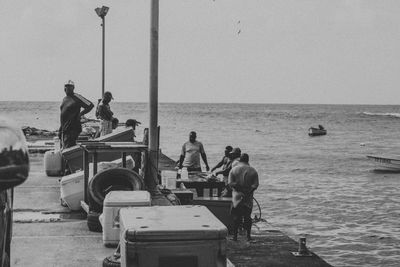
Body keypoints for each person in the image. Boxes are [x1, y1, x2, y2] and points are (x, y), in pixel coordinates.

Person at [228, 153, 259, 241]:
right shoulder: (253, 170)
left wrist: (239, 188)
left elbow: (230, 183)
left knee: (236, 217)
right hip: (248, 197)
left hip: (237, 197)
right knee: (247, 216)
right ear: (248, 160)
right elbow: (255, 185)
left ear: (240, 160)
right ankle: (248, 236)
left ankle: (235, 237)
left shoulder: (233, 170)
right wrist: (248, 191)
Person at [59, 80, 94, 149]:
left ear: (73, 88)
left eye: (69, 87)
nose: (67, 89)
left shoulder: (77, 97)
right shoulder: (65, 99)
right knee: (64, 148)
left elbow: (90, 105)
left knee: (68, 148)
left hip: (73, 127)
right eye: (66, 87)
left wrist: (80, 114)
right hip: (65, 128)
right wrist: (61, 129)